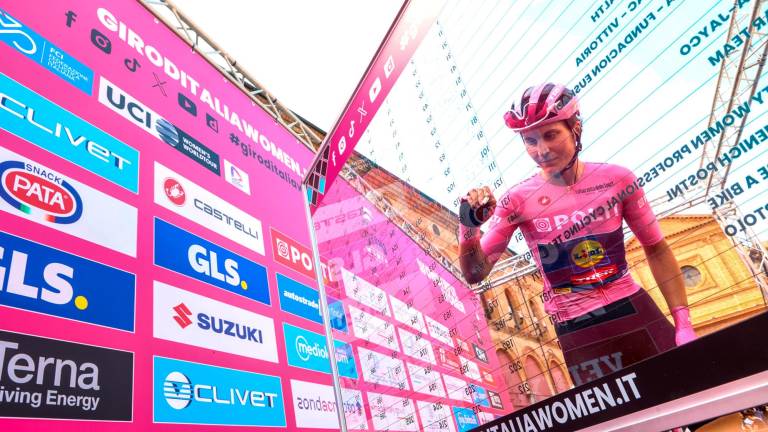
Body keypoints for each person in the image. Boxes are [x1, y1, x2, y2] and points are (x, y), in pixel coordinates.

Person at [458, 83, 696, 387]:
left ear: (576, 128)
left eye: (551, 134)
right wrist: (469, 225)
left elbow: (656, 249)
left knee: (689, 396)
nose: (541, 150)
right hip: (577, 326)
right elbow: (475, 273)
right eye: (530, 141)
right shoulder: (517, 199)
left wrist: (683, 323)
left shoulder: (617, 179)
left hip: (632, 306)